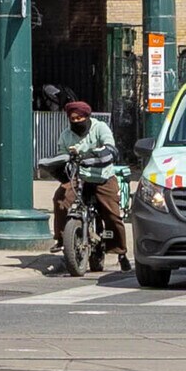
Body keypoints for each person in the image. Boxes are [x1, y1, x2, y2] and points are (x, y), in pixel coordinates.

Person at [54, 100, 130, 270]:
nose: (76, 121)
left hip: (102, 176)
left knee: (112, 214)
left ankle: (120, 251)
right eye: (72, 119)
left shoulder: (100, 128)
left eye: (80, 118)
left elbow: (111, 149)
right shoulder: (66, 135)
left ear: (87, 117)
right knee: (60, 198)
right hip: (79, 177)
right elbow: (62, 157)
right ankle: (63, 240)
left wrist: (92, 156)